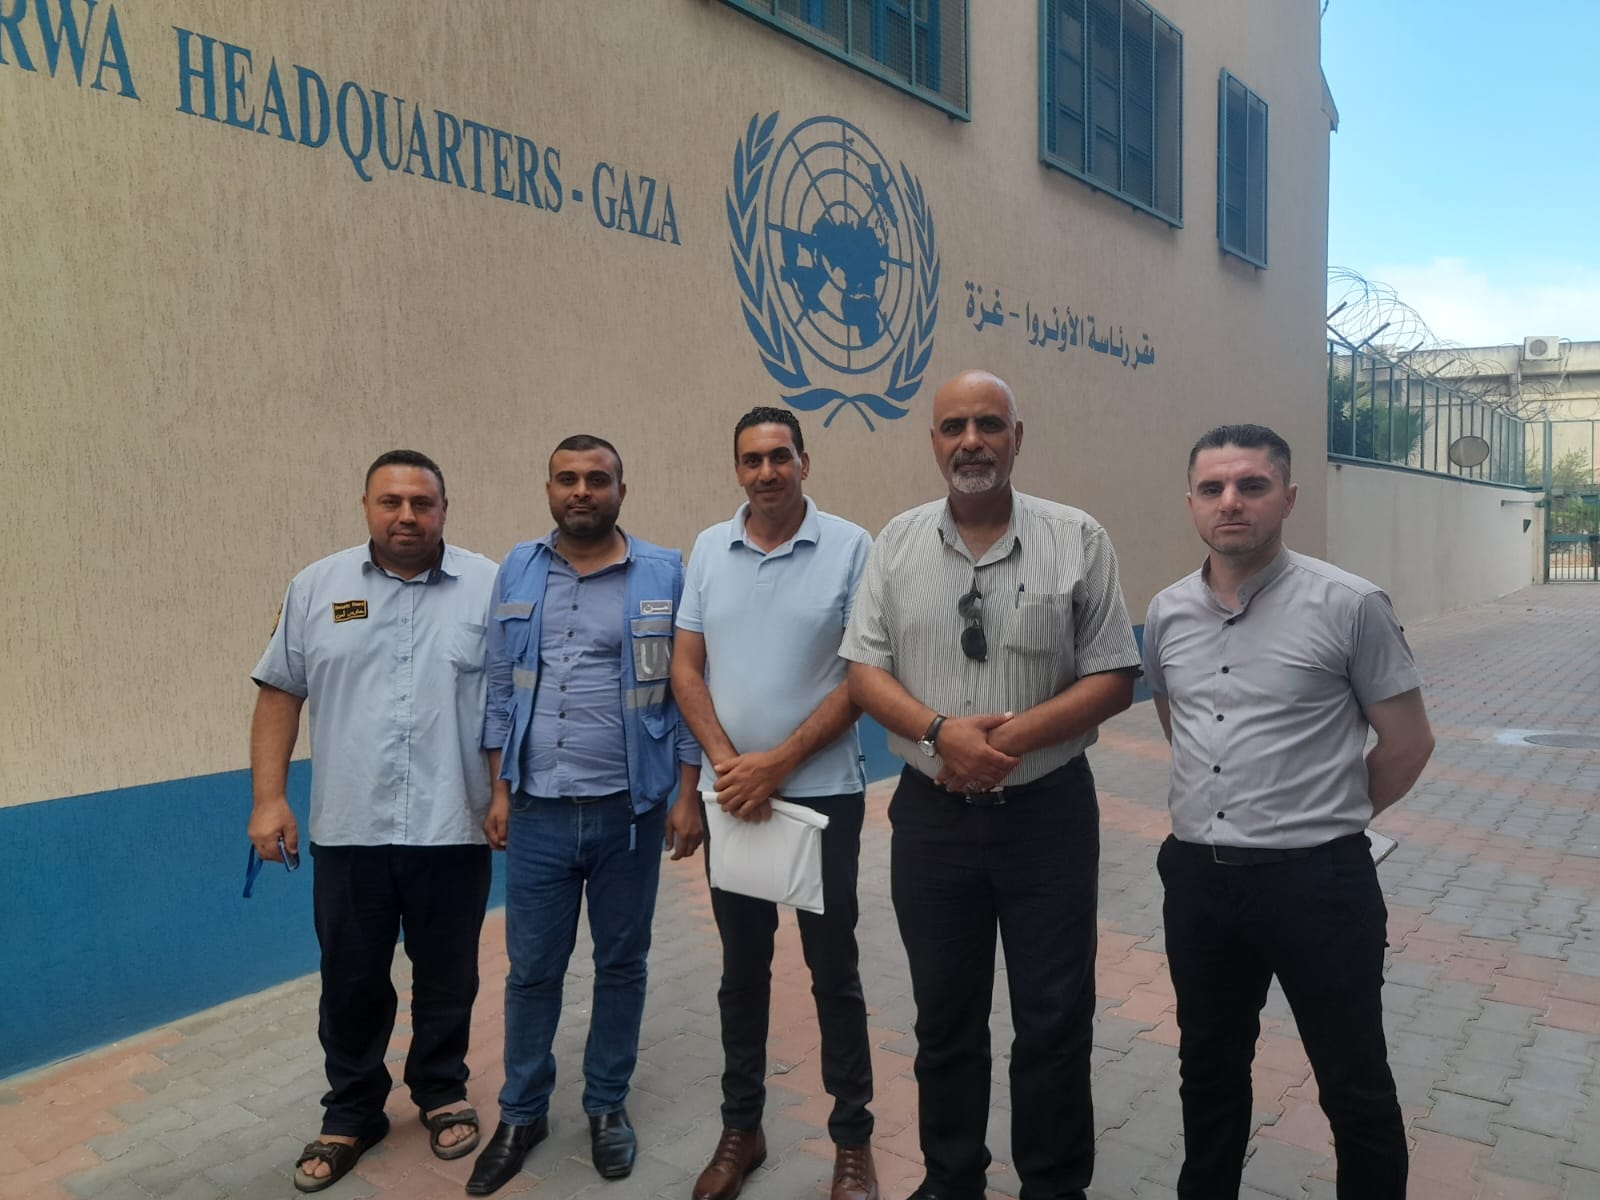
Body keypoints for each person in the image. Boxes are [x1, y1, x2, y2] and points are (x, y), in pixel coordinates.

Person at [840, 369, 1141, 1200]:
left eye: (989, 424)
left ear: (1017, 437)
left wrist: (999, 745)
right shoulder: (896, 542)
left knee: (1054, 1019)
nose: (971, 441)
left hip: (1047, 818)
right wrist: (942, 736)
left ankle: (1053, 1184)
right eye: (953, 427)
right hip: (932, 823)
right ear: (933, 441)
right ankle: (952, 1178)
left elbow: (1115, 675)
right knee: (944, 1018)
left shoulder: (1077, 538)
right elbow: (864, 670)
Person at [1141, 423, 1434, 1199]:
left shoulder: (1351, 605)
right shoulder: (1166, 613)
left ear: (1289, 498)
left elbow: (1408, 743)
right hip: (1200, 883)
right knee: (1207, 1070)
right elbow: (1180, 726)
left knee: (1353, 1083)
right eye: (1212, 488)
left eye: (1252, 485)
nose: (1230, 502)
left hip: (1318, 886)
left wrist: (1322, 814)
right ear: (1191, 502)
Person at [248, 449, 498, 1194]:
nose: (407, 516)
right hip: (350, 827)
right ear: (366, 507)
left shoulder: (490, 587)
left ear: (444, 510)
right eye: (391, 501)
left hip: (453, 825)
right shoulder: (317, 588)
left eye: (423, 502)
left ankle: (441, 1090)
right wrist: (268, 799)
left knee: (449, 974)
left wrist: (507, 792)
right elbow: (279, 693)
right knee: (351, 978)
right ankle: (353, 1110)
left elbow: (513, 700)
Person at [467, 434, 703, 1196]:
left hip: (629, 814)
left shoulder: (665, 571)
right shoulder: (519, 567)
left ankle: (606, 1106)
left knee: (621, 965)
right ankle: (522, 1113)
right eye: (567, 478)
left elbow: (688, 688)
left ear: (621, 491)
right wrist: (500, 790)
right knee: (533, 970)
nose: (581, 491)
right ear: (548, 489)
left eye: (597, 479)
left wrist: (688, 795)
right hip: (537, 810)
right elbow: (500, 684)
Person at [672, 407, 879, 1200]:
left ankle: (852, 1141)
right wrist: (730, 769)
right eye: (752, 459)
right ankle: (742, 1130)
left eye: (780, 457)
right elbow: (686, 667)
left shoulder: (851, 547)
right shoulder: (708, 549)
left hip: (822, 799)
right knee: (741, 972)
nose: (766, 472)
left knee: (834, 973)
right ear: (737, 469)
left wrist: (780, 763)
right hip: (733, 798)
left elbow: (864, 675)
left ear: (804, 462)